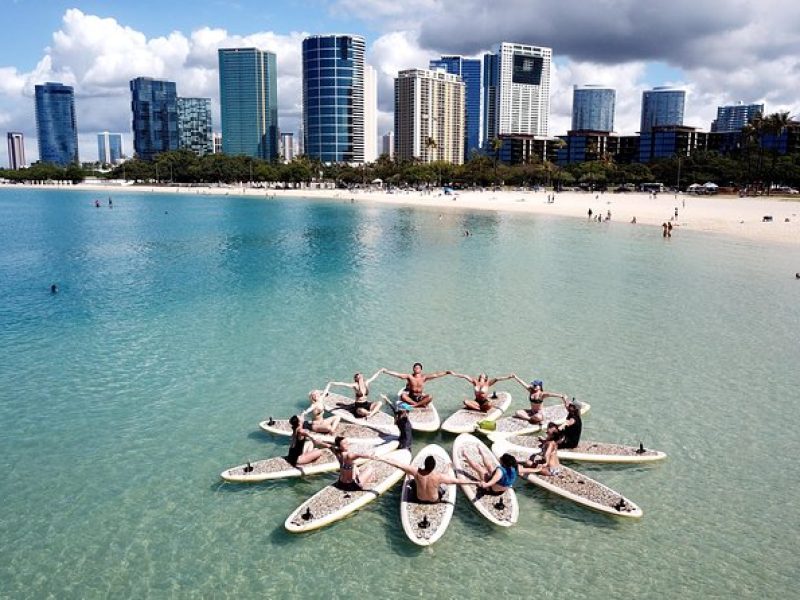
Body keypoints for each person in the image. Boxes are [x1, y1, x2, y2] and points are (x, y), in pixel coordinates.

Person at [376, 453, 477, 503]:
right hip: (434, 500)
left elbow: (398, 464)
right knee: (445, 484)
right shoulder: (438, 476)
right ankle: (447, 468)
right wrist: (476, 483)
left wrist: (382, 459)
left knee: (411, 482)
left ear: (424, 464)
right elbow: (458, 481)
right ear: (434, 466)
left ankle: (410, 477)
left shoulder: (417, 471)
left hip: (419, 499)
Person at [383, 363, 450, 408]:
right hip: (411, 397)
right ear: (413, 369)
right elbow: (398, 374)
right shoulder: (409, 376)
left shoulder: (424, 377)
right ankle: (419, 404)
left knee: (430, 396)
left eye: (418, 368)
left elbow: (436, 375)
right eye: (415, 368)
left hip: (419, 397)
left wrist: (446, 372)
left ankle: (415, 405)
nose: (417, 369)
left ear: (421, 370)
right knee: (403, 396)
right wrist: (387, 371)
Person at [449, 371, 515, 412]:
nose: (481, 375)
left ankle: (478, 408)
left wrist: (508, 377)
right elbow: (465, 376)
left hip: (484, 401)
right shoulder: (475, 382)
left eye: (483, 375)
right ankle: (478, 409)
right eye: (481, 375)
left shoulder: (488, 383)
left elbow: (497, 379)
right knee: (465, 401)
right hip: (477, 401)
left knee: (489, 404)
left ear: (486, 378)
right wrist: (454, 374)